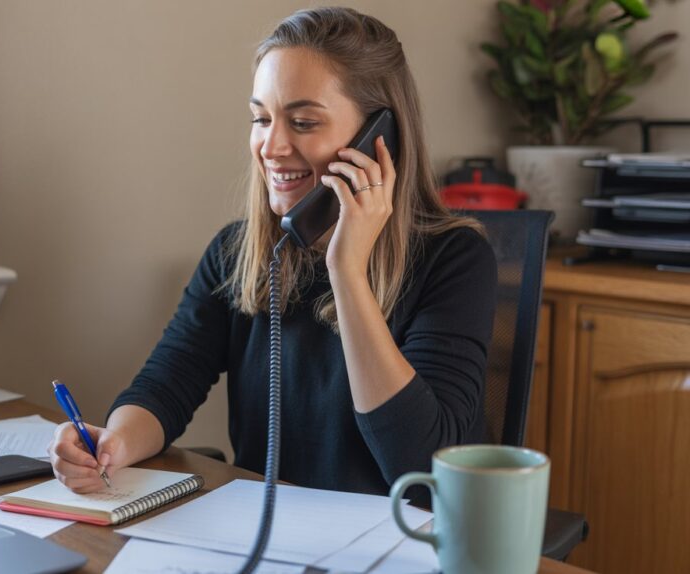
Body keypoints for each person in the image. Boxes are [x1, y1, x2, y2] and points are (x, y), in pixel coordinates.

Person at [48, 6, 496, 499]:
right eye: (261, 118)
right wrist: (113, 444)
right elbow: (166, 384)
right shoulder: (236, 251)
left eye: (303, 122)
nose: (271, 145)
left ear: (378, 139)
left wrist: (347, 272)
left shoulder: (454, 260)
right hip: (266, 534)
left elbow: (423, 473)